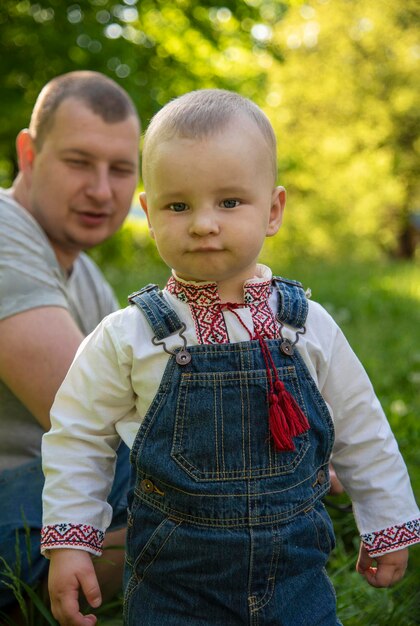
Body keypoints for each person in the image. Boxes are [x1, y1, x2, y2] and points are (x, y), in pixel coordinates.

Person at [41, 89, 419, 626]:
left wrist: (387, 521)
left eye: (229, 202)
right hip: (173, 584)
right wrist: (72, 540)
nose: (202, 224)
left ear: (273, 210)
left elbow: (361, 426)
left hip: (295, 577)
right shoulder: (128, 336)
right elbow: (78, 436)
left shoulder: (307, 324)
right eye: (178, 205)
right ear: (148, 213)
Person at [0, 71, 140, 615]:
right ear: (29, 153)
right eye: (79, 162)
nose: (102, 191)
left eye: (121, 170)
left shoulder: (83, 275)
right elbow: (95, 413)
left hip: (42, 500)